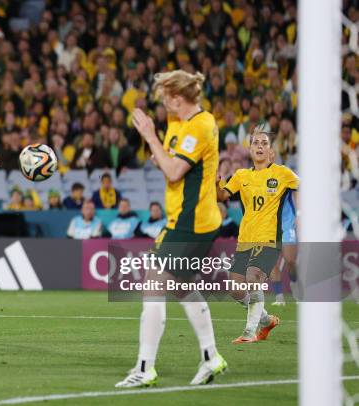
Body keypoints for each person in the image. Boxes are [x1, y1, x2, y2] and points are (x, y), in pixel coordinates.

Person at [116, 70, 227, 388]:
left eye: (166, 99)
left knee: (154, 284)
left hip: (194, 224)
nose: (163, 105)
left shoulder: (201, 125)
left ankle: (145, 367)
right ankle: (211, 357)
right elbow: (168, 163)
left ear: (179, 99)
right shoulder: (179, 124)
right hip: (181, 220)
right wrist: (159, 155)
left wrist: (150, 135)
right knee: (181, 286)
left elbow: (175, 171)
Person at [217, 123, 299, 343]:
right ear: (250, 149)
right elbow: (221, 196)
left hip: (270, 238)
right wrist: (217, 182)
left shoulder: (282, 173)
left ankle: (249, 333)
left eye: (264, 143)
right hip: (245, 239)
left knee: (253, 277)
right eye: (256, 143)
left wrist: (300, 213)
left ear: (271, 151)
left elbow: (301, 188)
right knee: (235, 289)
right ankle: (266, 321)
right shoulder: (241, 175)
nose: (260, 146)